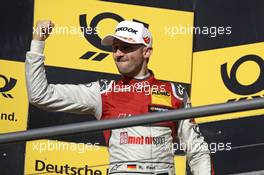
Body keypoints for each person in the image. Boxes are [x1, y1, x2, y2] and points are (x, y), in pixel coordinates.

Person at [26, 20, 213, 175]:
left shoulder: (174, 92)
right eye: (115, 48)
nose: (118, 54)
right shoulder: (104, 91)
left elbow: (196, 150)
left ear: (146, 51)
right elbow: (40, 95)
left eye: (126, 47)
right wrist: (37, 43)